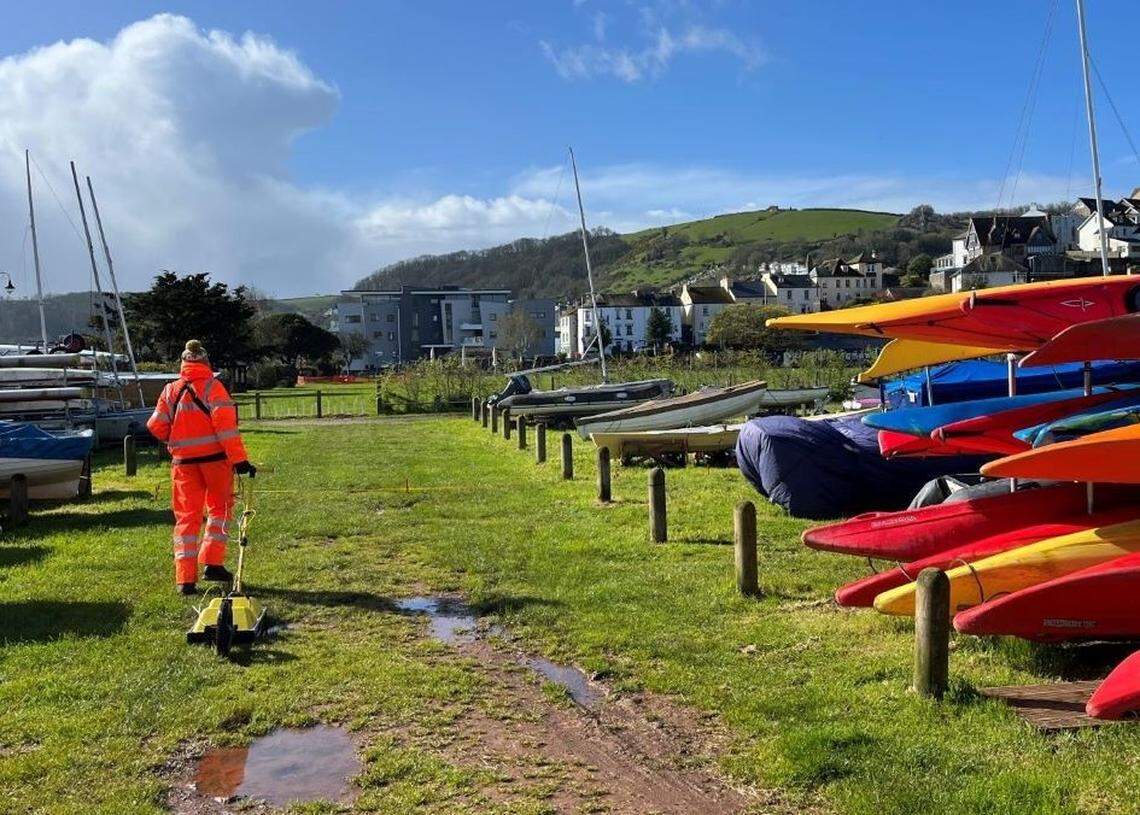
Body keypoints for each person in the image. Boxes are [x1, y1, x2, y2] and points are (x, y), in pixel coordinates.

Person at [147, 340, 256, 594]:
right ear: (206, 363)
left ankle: (185, 579)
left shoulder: (170, 391)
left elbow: (155, 426)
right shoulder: (214, 388)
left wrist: (177, 440)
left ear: (183, 364)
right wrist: (239, 461)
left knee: (186, 519)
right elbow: (226, 429)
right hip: (215, 461)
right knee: (220, 509)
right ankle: (212, 562)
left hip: (183, 464)